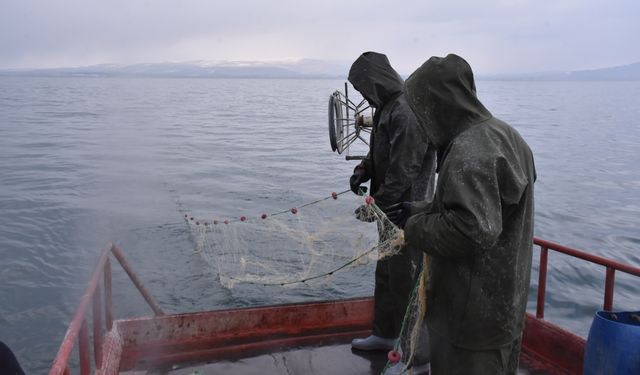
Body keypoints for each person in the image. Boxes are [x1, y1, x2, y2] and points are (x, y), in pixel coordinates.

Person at [386, 54, 536, 375]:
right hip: (504, 307)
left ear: (439, 102)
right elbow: (486, 209)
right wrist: (422, 209)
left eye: (421, 105)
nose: (420, 116)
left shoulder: (470, 151)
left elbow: (471, 230)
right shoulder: (505, 136)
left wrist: (414, 226)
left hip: (470, 320)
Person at [347, 51, 436, 371]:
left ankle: (418, 357)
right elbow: (381, 153)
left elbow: (405, 167)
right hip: (388, 212)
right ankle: (385, 334)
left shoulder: (407, 109)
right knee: (386, 274)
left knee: (409, 284)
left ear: (376, 79)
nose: (361, 94)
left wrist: (379, 205)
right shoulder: (386, 108)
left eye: (362, 87)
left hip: (408, 212)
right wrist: (364, 169)